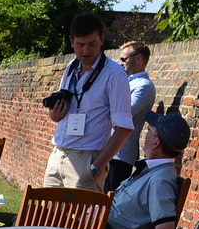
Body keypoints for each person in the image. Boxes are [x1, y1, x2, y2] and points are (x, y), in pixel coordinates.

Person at [42, 12, 133, 192]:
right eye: (80, 45)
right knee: (48, 217)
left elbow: (123, 128)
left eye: (91, 44)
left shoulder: (114, 74)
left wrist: (95, 167)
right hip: (58, 153)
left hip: (87, 158)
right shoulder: (71, 68)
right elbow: (58, 115)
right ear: (71, 41)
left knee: (81, 220)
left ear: (101, 39)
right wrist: (54, 114)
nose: (85, 50)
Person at [107, 110, 190, 229]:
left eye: (149, 130)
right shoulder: (153, 170)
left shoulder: (160, 180)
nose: (145, 134)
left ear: (156, 142)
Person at [107, 42, 155, 191]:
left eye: (123, 59)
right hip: (108, 152)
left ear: (138, 58)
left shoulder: (144, 86)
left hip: (121, 155)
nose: (120, 63)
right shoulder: (124, 82)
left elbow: (124, 112)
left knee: (109, 201)